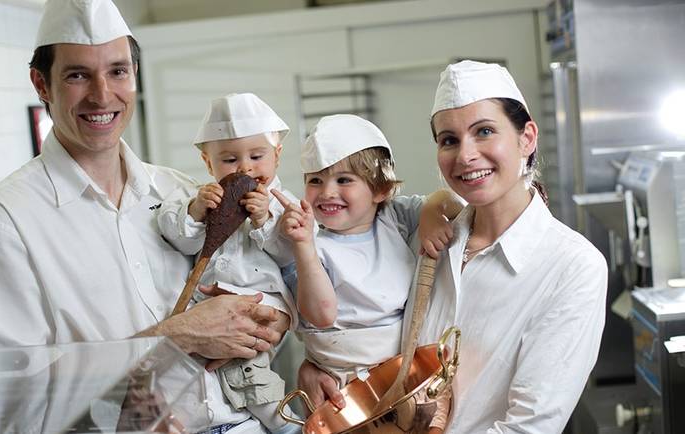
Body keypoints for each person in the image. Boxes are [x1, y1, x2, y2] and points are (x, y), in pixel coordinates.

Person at [0, 1, 289, 432]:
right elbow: (16, 409)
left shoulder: (180, 193)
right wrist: (175, 336)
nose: (102, 95)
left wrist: (279, 316)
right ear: (41, 83)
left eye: (117, 71)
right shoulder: (2, 224)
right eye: (77, 74)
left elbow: (257, 274)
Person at [297, 60, 608, 433]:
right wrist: (316, 366)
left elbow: (531, 426)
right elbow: (371, 331)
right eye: (449, 140)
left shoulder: (572, 266)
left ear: (526, 138)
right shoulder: (423, 239)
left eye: (485, 131)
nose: (465, 155)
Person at [274, 114, 462, 433]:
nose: (327, 192)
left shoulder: (394, 218)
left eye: (344, 180)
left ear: (381, 190)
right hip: (340, 390)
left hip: (400, 376)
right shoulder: (308, 242)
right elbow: (320, 315)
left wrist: (431, 214)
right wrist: (304, 246)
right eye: (315, 180)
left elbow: (450, 199)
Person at [157, 92, 300, 434]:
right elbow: (178, 236)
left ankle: (288, 425)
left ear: (277, 155)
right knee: (196, 369)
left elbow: (290, 254)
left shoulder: (282, 203)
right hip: (206, 304)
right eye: (229, 159)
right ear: (208, 163)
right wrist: (195, 212)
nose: (245, 168)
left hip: (257, 304)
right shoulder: (200, 197)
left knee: (249, 375)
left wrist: (265, 221)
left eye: (257, 155)